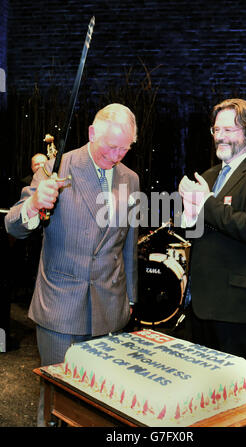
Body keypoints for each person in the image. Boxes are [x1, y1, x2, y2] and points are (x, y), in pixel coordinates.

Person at [5, 103, 139, 424]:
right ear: (92, 134)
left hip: (111, 309)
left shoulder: (130, 179)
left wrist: (130, 297)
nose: (117, 155)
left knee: (103, 403)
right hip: (61, 309)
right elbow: (13, 224)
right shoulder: (57, 168)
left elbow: (129, 244)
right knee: (57, 403)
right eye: (111, 146)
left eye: (125, 148)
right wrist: (35, 204)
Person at [179, 98, 246, 382]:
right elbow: (201, 234)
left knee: (241, 407)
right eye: (216, 130)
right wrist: (189, 215)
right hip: (201, 307)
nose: (220, 136)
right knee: (201, 400)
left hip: (240, 311)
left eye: (230, 129)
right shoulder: (209, 176)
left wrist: (206, 203)